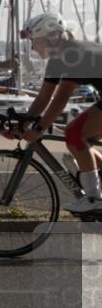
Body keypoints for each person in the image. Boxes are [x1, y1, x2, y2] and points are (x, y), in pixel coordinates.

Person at [13, 12, 102, 213]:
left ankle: (94, 199)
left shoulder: (73, 54)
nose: (33, 47)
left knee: (74, 133)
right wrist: (22, 124)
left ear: (52, 37)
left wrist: (39, 128)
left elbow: (61, 99)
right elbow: (43, 98)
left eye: (34, 41)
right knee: (77, 140)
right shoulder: (57, 59)